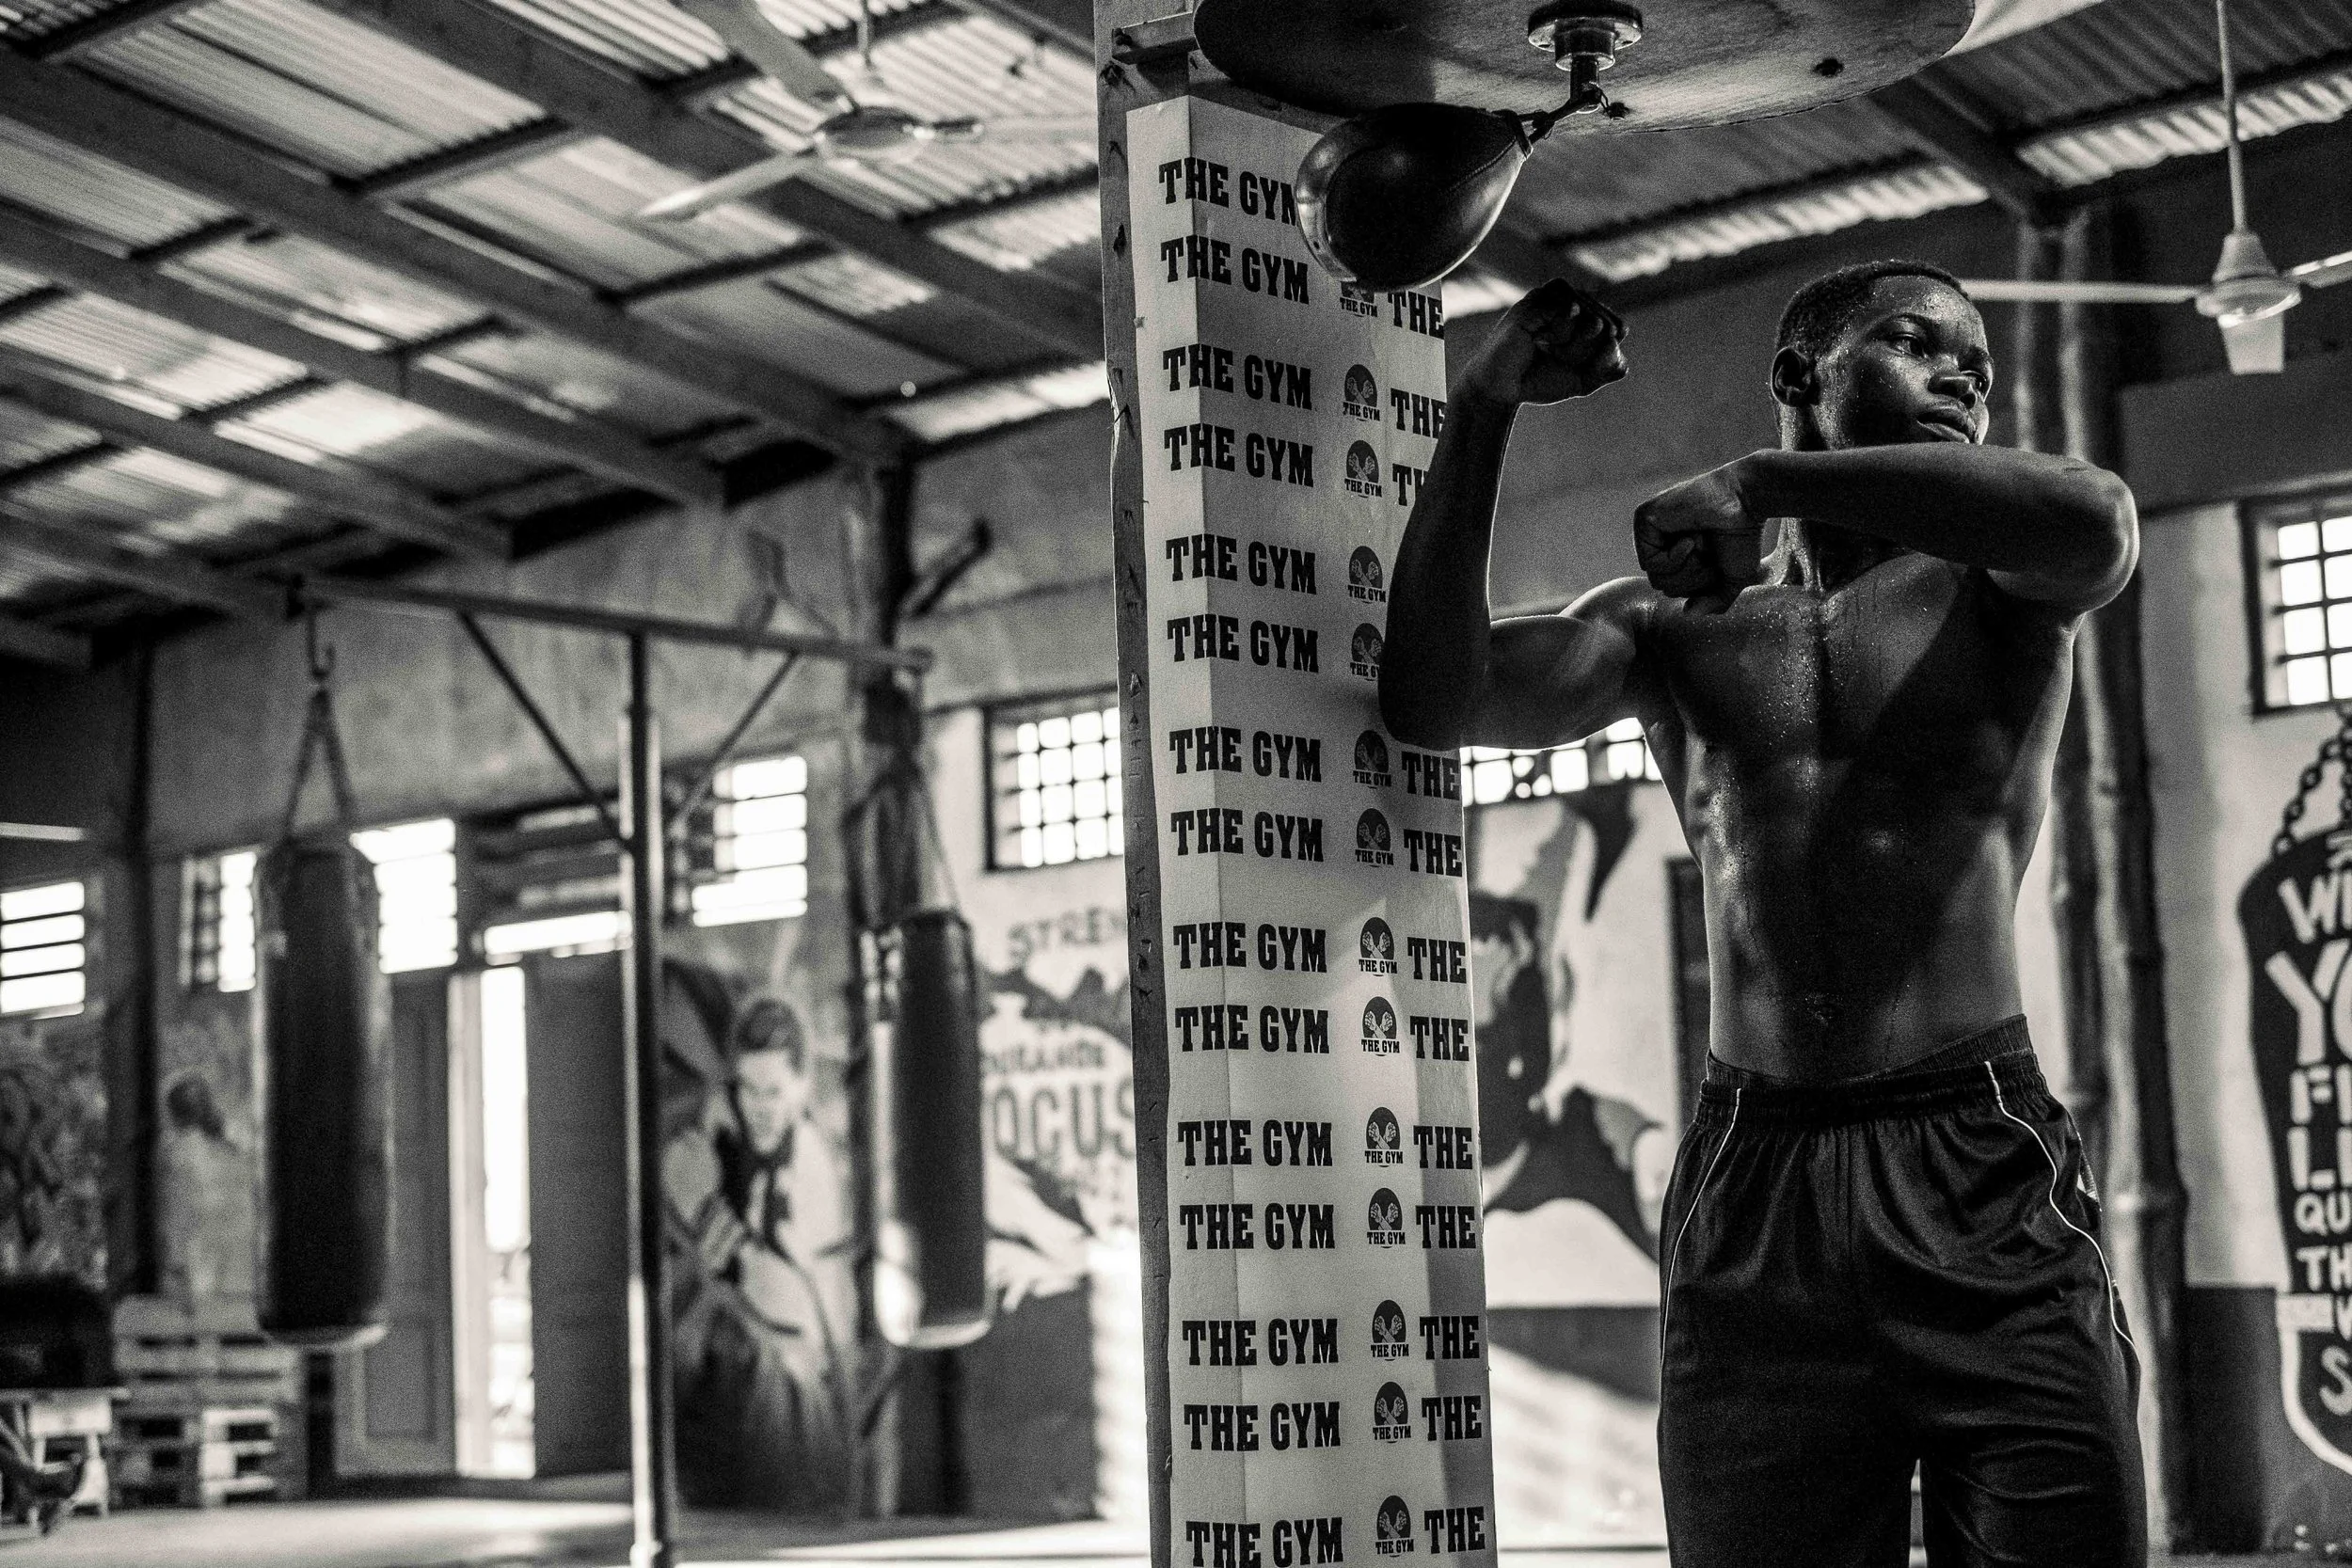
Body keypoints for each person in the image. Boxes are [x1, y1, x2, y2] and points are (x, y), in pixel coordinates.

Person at [1383, 262, 2143, 1568]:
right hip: (1757, 1184)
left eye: (1976, 363)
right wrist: (1484, 404)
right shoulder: (1670, 630)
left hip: (1977, 1162)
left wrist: (1764, 481)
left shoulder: (1998, 588)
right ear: (1802, 375)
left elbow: (2100, 519)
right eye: (1916, 344)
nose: (1962, 376)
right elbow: (1435, 701)